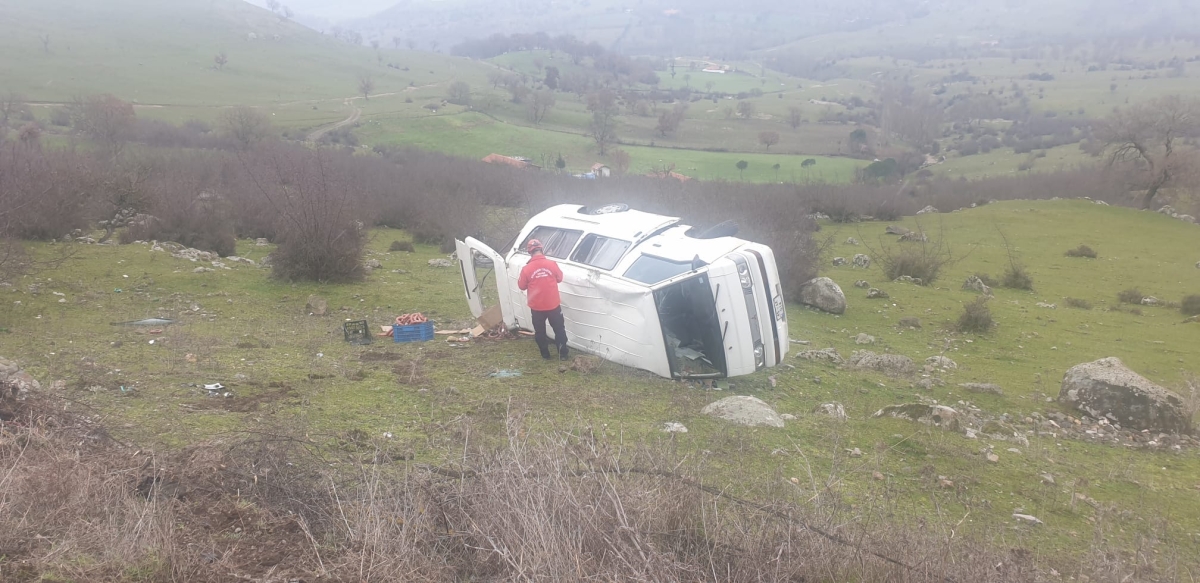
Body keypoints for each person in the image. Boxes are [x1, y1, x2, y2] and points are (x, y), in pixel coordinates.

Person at [517, 239, 569, 360]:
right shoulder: (552, 264)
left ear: (530, 252)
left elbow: (521, 286)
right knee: (559, 329)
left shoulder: (526, 269)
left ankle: (545, 355)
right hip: (553, 305)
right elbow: (560, 278)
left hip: (536, 307)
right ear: (541, 249)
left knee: (540, 332)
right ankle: (563, 355)